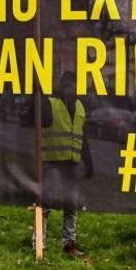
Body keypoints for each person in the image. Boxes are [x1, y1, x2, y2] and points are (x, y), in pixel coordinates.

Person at [33, 70, 94, 257]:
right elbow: (37, 119)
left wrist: (88, 163)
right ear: (62, 86)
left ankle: (69, 244)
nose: (70, 88)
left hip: (71, 163)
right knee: (45, 202)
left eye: (74, 85)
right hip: (51, 160)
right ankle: (38, 244)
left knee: (71, 204)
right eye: (67, 85)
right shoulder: (50, 103)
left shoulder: (81, 107)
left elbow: (83, 138)